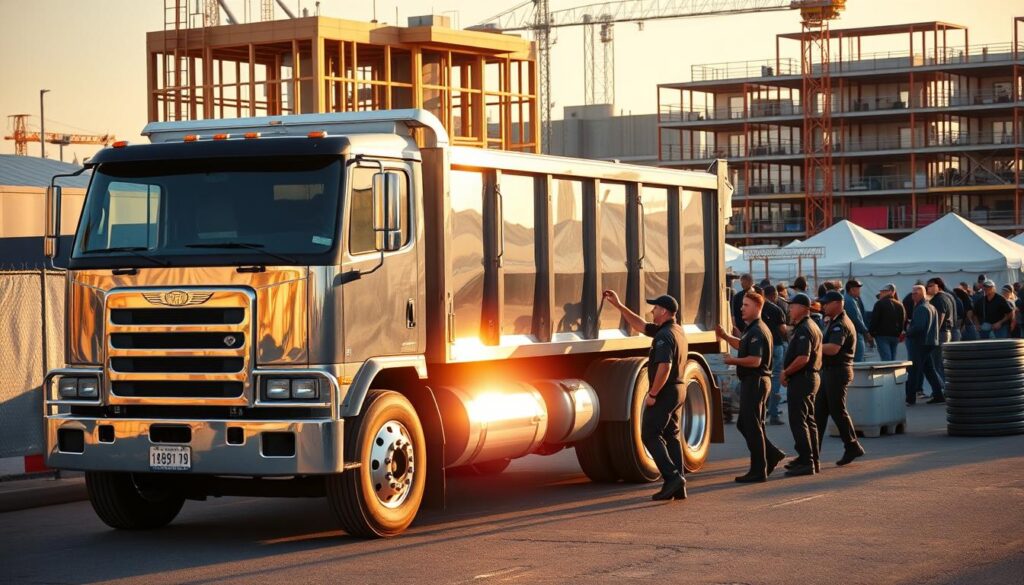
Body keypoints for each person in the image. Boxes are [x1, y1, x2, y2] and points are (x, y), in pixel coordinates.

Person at [602, 290, 688, 501]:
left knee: (649, 434)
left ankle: (672, 477)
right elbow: (640, 325)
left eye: (655, 308)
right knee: (671, 436)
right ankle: (678, 486)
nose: (652, 310)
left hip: (665, 391)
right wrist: (619, 306)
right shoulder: (675, 330)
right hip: (678, 389)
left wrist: (653, 393)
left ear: (665, 311)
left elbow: (665, 366)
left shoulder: (664, 336)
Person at [716, 292, 787, 483]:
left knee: (752, 426)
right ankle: (770, 455)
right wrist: (725, 336)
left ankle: (759, 469)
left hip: (756, 381)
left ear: (757, 307)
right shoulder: (752, 329)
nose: (741, 308)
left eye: (746, 305)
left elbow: (755, 360)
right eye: (742, 305)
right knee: (747, 424)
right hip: (753, 381)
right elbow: (743, 345)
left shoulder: (758, 330)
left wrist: (733, 360)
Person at [817, 291, 866, 466]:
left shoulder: (841, 324)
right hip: (830, 370)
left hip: (838, 371)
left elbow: (833, 348)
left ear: (838, 303)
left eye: (826, 303)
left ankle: (852, 445)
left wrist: (814, 345)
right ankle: (812, 452)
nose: (823, 306)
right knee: (820, 412)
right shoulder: (834, 322)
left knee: (837, 410)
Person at [780, 294, 822, 476]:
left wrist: (786, 372)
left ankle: (807, 461)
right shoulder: (809, 326)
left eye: (793, 306)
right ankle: (811, 458)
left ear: (804, 308)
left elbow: (803, 358)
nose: (790, 309)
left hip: (803, 378)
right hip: (808, 378)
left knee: (799, 421)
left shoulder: (805, 328)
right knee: (808, 420)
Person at [905, 285, 945, 405]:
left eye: (915, 293)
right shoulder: (930, 306)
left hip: (919, 343)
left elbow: (919, 327)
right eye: (912, 293)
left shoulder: (922, 308)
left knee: (913, 370)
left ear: (922, 294)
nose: (913, 296)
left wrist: (907, 331)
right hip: (928, 342)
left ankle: (910, 398)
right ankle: (939, 394)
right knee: (929, 369)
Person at [762, 286, 789, 426]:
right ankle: (773, 413)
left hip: (761, 348)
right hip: (776, 346)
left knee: (762, 378)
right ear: (774, 295)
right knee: (776, 379)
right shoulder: (776, 309)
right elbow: (783, 330)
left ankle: (762, 411)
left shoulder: (758, 308)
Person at [925, 277, 957, 380]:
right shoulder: (947, 296)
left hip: (940, 333)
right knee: (941, 364)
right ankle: (945, 387)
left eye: (930, 286)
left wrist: (933, 334)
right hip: (946, 332)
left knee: (937, 365)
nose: (927, 288)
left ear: (938, 286)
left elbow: (939, 318)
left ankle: (942, 388)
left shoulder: (939, 298)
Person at [869, 283, 906, 361]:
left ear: (890, 292)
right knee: (892, 359)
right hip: (895, 336)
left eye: (883, 291)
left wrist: (871, 333)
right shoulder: (900, 305)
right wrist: (899, 333)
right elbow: (902, 321)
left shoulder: (879, 304)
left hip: (882, 335)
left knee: (886, 359)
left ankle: (887, 373)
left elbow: (874, 320)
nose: (881, 293)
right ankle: (892, 373)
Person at [843, 280, 872, 362]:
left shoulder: (851, 300)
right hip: (856, 333)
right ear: (852, 290)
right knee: (858, 360)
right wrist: (866, 332)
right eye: (858, 288)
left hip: (855, 333)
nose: (860, 291)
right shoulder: (849, 301)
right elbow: (856, 319)